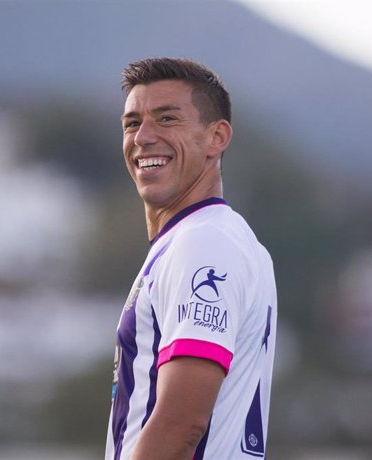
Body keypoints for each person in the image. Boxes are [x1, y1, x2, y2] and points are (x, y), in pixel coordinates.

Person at [105, 57, 278, 460]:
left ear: (217, 137)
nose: (143, 137)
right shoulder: (214, 238)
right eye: (132, 123)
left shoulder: (204, 242)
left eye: (167, 119)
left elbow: (182, 424)